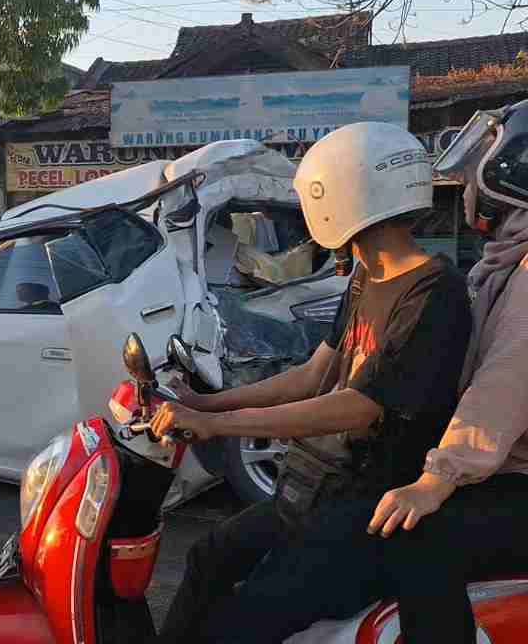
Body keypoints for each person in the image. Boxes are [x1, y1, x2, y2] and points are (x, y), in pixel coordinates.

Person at [151, 121, 472, 644]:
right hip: (307, 488)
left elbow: (357, 407)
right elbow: (313, 374)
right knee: (208, 557)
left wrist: (216, 424)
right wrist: (206, 401)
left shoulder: (435, 293)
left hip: (360, 510)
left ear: (343, 195)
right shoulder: (366, 275)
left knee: (239, 624)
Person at [364, 99, 528, 643]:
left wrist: (439, 478)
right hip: (506, 467)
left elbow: (505, 380)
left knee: (419, 533)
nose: (465, 191)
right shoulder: (502, 261)